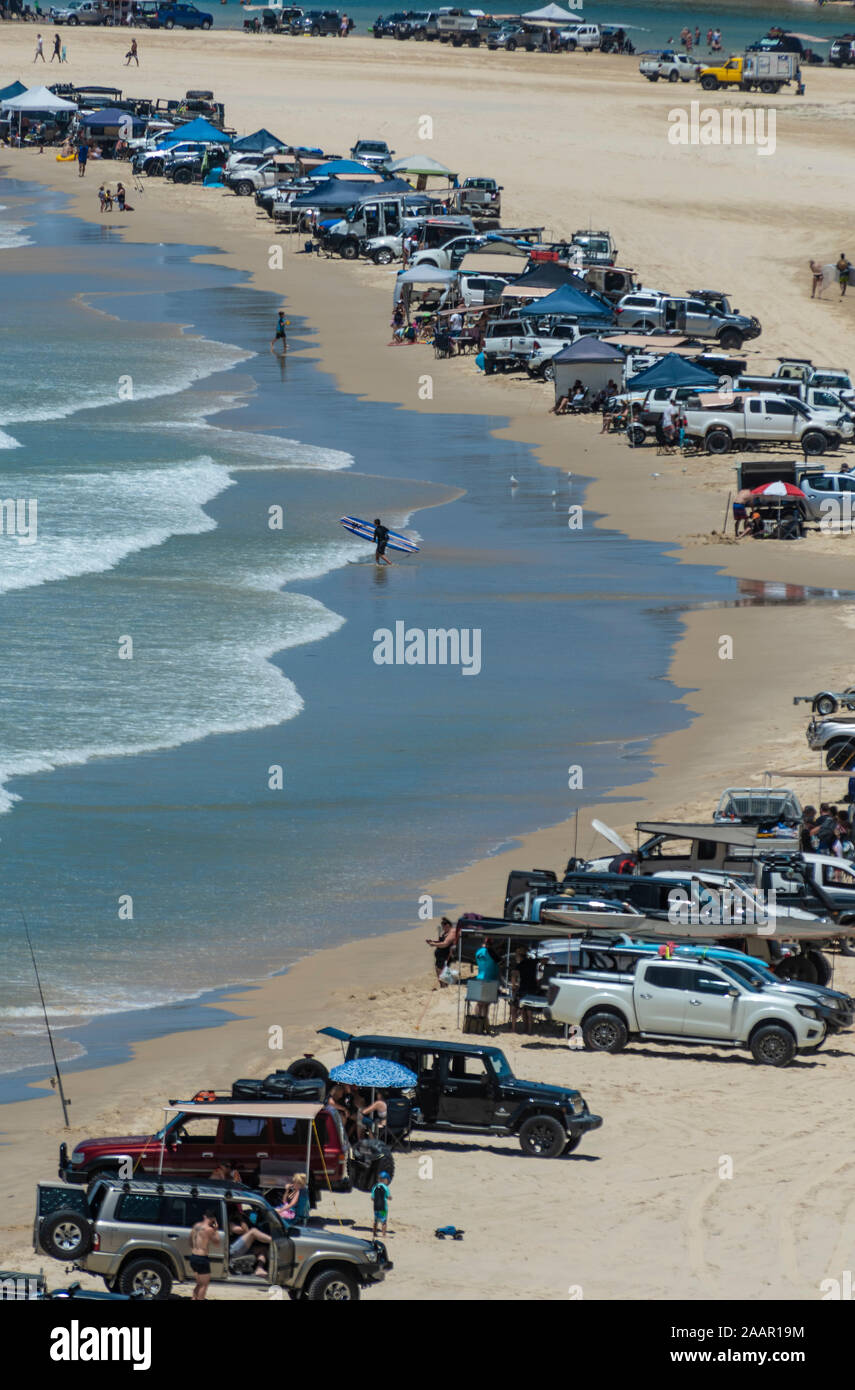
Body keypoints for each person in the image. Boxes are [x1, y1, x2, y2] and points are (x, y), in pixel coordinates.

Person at [189, 1210, 221, 1300]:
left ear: (204, 1216)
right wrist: (216, 1229)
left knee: (199, 1284)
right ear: (213, 1219)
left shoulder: (196, 1226)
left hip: (193, 1256)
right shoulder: (209, 1229)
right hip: (202, 1258)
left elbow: (190, 1241)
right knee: (204, 1285)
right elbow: (217, 1242)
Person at [228, 1208, 273, 1273]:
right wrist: (241, 1219)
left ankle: (259, 1268)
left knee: (263, 1249)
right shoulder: (230, 1223)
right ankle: (274, 1241)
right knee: (253, 1232)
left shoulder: (239, 1221)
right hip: (231, 1249)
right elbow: (244, 1231)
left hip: (241, 1248)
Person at [509, 946, 538, 1034]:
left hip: (523, 989)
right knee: (528, 1010)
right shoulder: (533, 962)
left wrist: (514, 986)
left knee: (514, 1008)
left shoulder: (520, 965)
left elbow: (514, 976)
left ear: (519, 956)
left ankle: (513, 1029)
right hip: (533, 989)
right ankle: (529, 1030)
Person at [426, 915, 461, 984]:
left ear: (447, 925)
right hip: (440, 955)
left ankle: (444, 986)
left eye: (443, 927)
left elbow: (445, 944)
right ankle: (442, 985)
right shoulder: (446, 932)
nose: (442, 928)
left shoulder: (452, 932)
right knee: (439, 970)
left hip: (445, 954)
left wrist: (434, 944)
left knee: (442, 972)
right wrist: (433, 941)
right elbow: (441, 941)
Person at [371, 1170, 391, 1239]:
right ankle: (384, 1234)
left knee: (375, 1221)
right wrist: (390, 1198)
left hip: (376, 1207)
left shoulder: (375, 1187)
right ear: (385, 1179)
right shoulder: (385, 1187)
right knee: (383, 1222)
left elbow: (372, 1198)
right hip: (383, 1207)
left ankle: (374, 1233)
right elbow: (388, 1197)